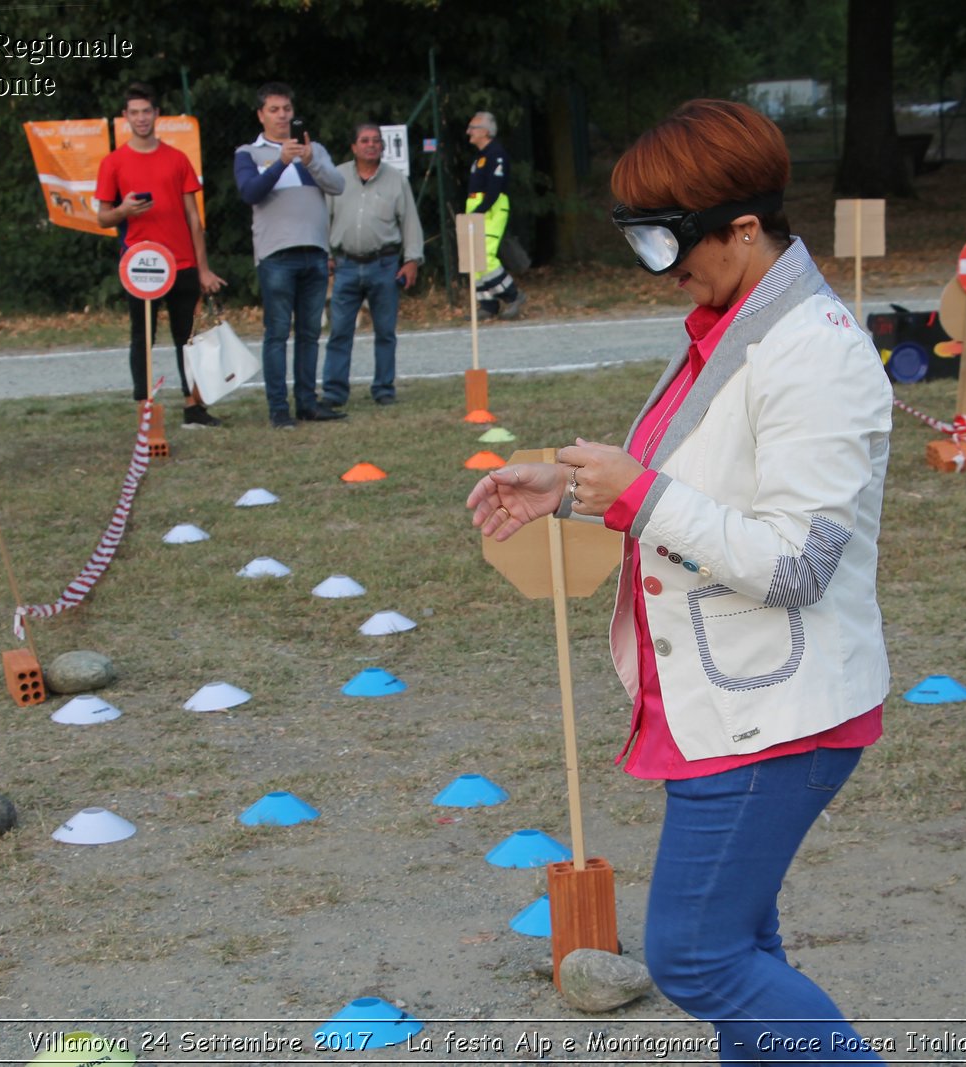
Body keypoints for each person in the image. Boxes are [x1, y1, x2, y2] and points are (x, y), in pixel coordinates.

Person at [467, 100, 890, 1063]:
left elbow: (795, 561)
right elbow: (697, 489)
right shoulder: (724, 322)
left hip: (779, 709)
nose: (660, 265)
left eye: (669, 239)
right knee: (744, 947)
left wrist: (639, 493)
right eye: (641, 238)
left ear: (745, 228)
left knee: (696, 955)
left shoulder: (814, 348)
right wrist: (572, 490)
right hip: (724, 697)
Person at [94, 82, 226, 427]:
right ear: (125, 117)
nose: (141, 118)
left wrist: (203, 268)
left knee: (188, 338)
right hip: (141, 266)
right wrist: (124, 210)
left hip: (181, 261)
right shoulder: (113, 163)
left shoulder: (177, 159)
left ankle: (193, 407)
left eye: (146, 111)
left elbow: (194, 217)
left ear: (156, 115)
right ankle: (145, 407)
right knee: (143, 336)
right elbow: (103, 216)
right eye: (134, 113)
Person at [235, 81, 346, 429]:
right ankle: (278, 408)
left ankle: (308, 404)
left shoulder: (315, 150)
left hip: (315, 251)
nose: (282, 116)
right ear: (260, 115)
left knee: (310, 333)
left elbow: (338, 185)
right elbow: (250, 192)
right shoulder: (248, 153)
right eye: (274, 109)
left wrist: (310, 160)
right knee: (278, 333)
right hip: (276, 255)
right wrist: (279, 163)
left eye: (287, 109)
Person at [323, 123, 424, 407]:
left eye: (376, 141)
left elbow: (410, 223)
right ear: (354, 147)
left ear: (382, 147)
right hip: (345, 265)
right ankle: (334, 391)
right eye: (364, 140)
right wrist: (324, 254)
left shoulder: (396, 180)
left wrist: (412, 260)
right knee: (340, 331)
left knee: (385, 332)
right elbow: (323, 219)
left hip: (385, 265)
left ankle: (383, 388)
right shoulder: (336, 178)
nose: (371, 145)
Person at [463, 111, 526, 320]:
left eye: (472, 128)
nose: (468, 132)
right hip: (476, 205)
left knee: (485, 255)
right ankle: (488, 305)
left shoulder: (496, 154)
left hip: (491, 207)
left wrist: (481, 209)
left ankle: (513, 295)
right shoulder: (481, 155)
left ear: (485, 131)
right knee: (473, 257)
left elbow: (495, 187)